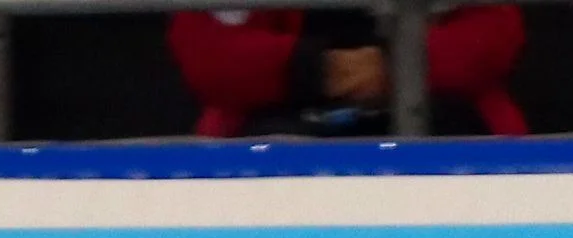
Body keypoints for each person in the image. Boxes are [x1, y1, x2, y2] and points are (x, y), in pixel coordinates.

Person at [168, 4, 526, 139]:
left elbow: (496, 37)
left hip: (444, 120)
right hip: (277, 129)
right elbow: (209, 54)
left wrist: (394, 66)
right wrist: (319, 69)